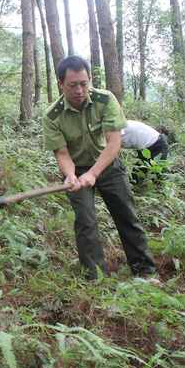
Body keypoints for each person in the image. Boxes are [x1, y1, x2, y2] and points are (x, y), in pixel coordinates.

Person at [42, 56, 156, 280]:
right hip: (77, 168)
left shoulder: (106, 100)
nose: (79, 91)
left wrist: (94, 173)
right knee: (85, 221)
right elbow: (62, 153)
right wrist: (71, 176)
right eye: (72, 85)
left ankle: (145, 272)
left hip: (108, 165)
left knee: (126, 215)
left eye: (84, 84)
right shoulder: (52, 116)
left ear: (90, 80)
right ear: (60, 84)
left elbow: (114, 142)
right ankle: (95, 279)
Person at [120, 120, 169, 185]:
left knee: (157, 175)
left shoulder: (116, 128)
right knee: (136, 177)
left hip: (157, 144)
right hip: (143, 149)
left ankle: (161, 193)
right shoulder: (110, 131)